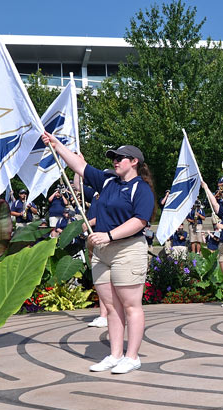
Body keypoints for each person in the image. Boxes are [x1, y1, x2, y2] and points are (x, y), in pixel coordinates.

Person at [43, 135, 155, 374]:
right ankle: (115, 354)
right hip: (102, 252)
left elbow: (140, 220)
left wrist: (110, 235)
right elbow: (80, 166)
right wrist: (57, 145)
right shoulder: (107, 181)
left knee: (131, 306)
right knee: (112, 307)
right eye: (113, 158)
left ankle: (132, 356)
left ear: (133, 161)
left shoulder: (141, 188)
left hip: (127, 249)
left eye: (119, 158)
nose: (115, 161)